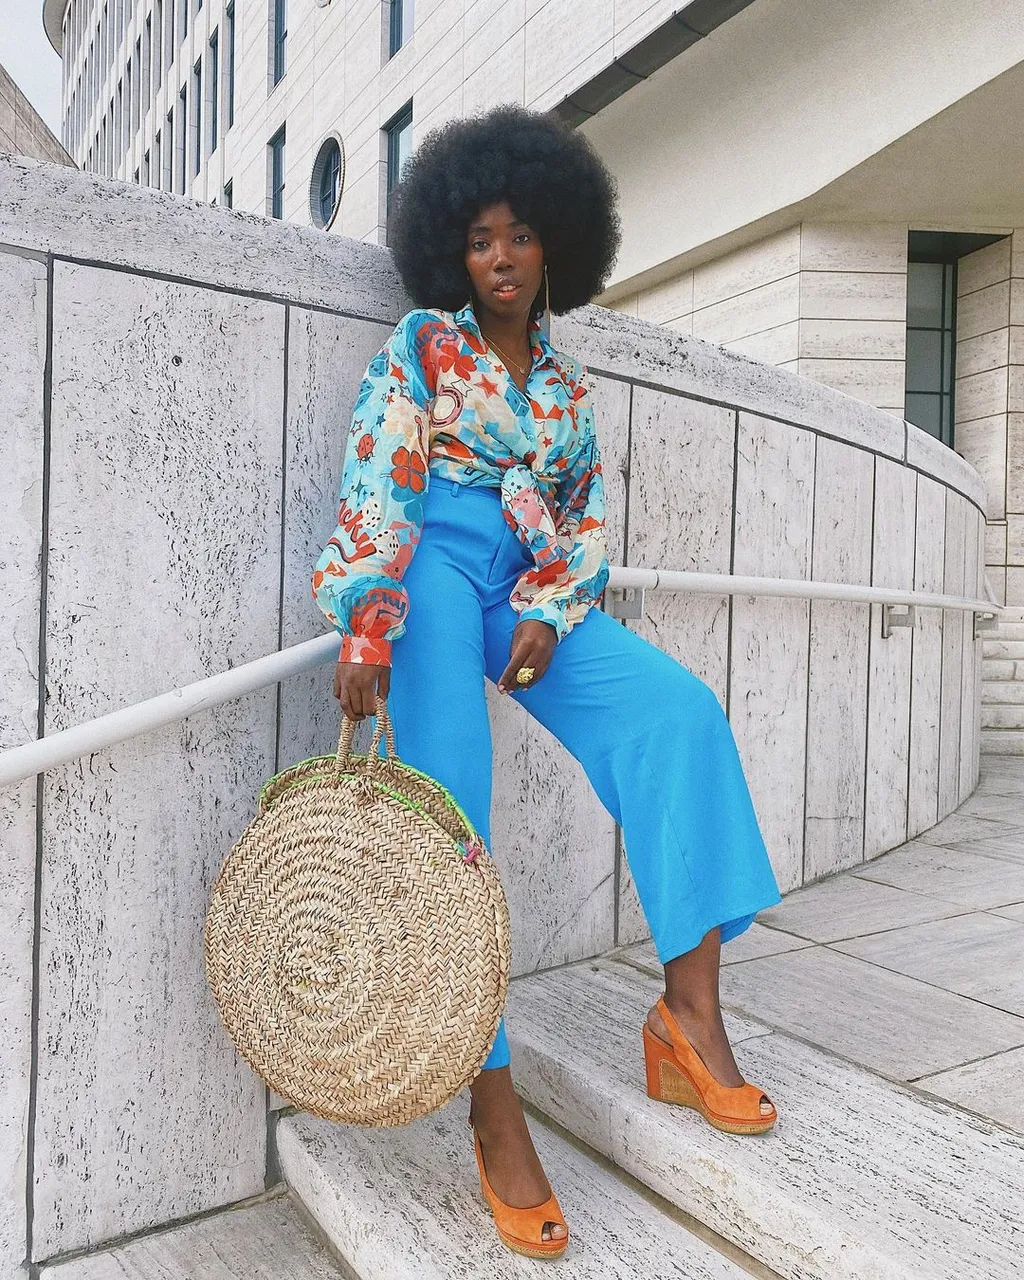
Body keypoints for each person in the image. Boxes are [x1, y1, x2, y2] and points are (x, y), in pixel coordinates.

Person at [311, 103, 783, 1261]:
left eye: (520, 234)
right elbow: (379, 473)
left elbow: (579, 526)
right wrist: (366, 620)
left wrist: (548, 606)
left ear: (554, 242)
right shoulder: (424, 344)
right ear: (452, 252)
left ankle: (689, 1017)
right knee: (454, 812)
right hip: (429, 570)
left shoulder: (566, 389)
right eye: (480, 238)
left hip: (524, 591)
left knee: (678, 714)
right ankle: (490, 1098)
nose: (501, 257)